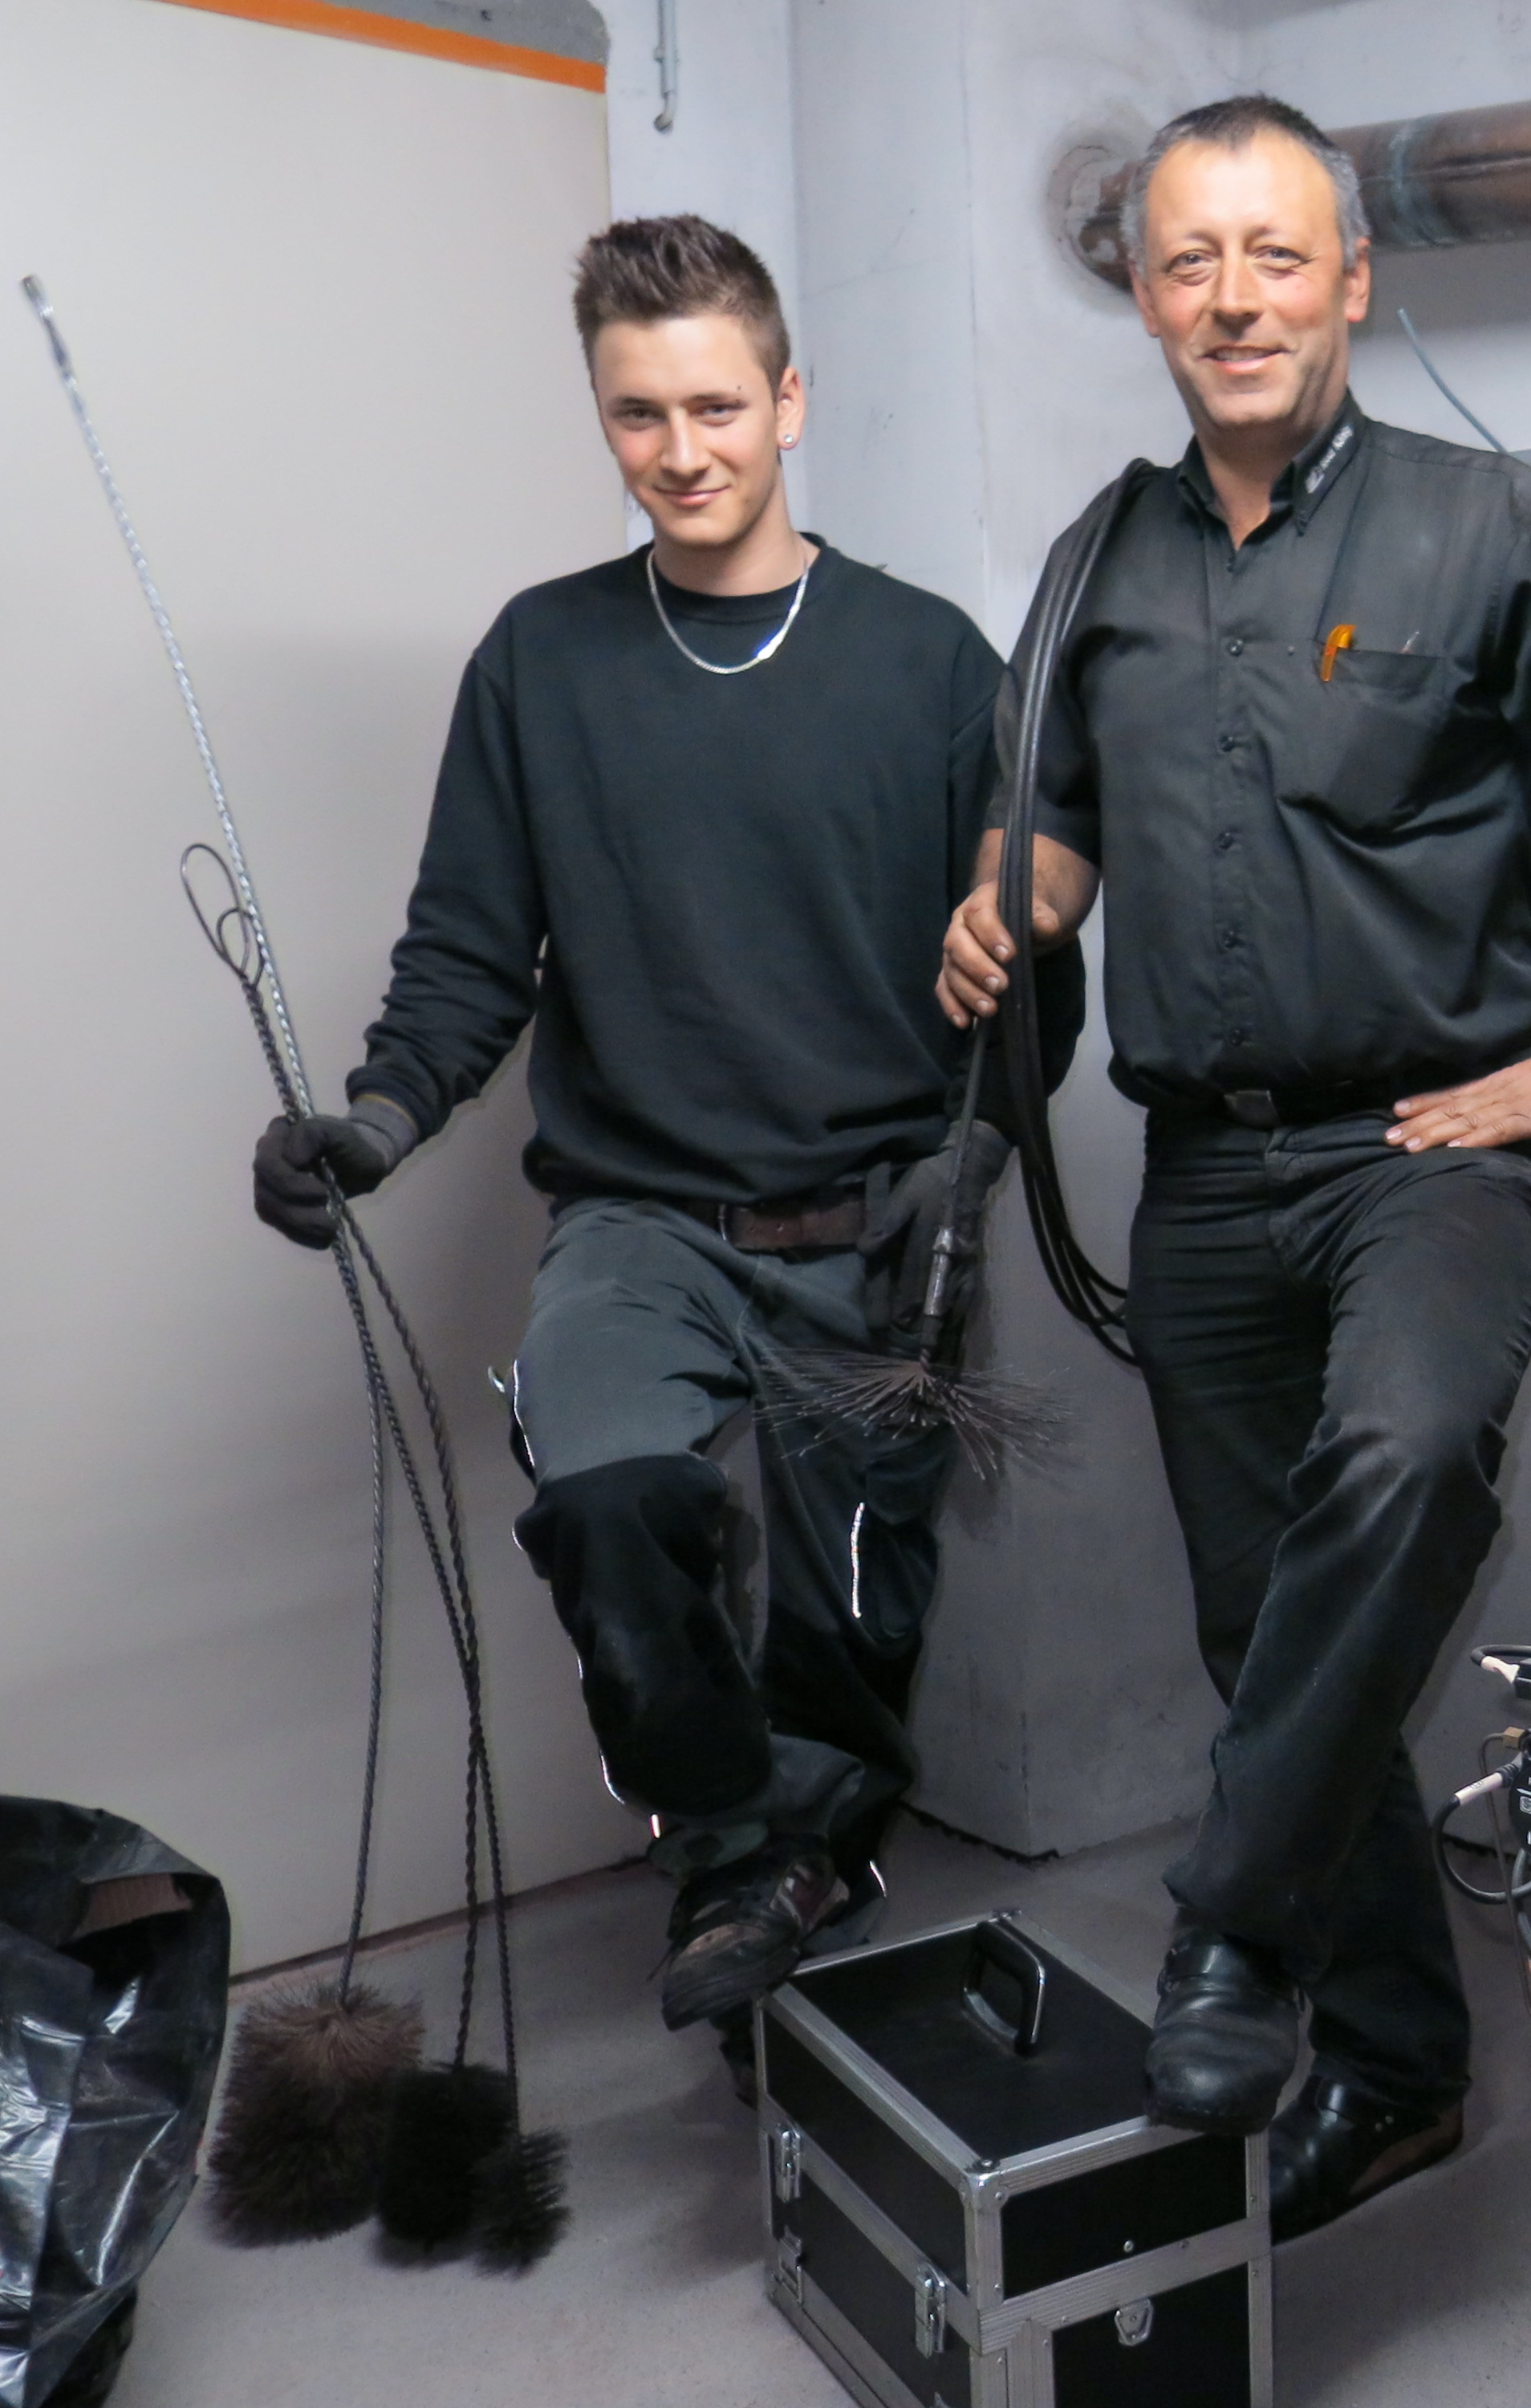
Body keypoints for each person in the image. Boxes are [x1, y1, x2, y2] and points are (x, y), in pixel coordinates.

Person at [940, 96, 1531, 2237]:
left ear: (1353, 285)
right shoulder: (1095, 564)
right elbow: (1061, 818)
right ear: (1147, 295)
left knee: (1397, 1473)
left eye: (1276, 255)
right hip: (1202, 1174)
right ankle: (1398, 2075)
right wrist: (1011, 900)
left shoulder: (1493, 527)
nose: (1235, 298)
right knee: (1264, 1625)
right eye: (1191, 260)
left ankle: (1231, 1929)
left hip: (1432, 1151)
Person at [250, 216, 1074, 2084]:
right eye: (639, 415)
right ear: (602, 418)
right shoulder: (541, 662)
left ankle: (792, 1871)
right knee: (612, 1504)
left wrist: (983, 1125)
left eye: (715, 407)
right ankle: (732, 1853)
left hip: (874, 1226)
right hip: (639, 1221)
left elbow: (1033, 986)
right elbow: (468, 955)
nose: (681, 451)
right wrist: (371, 1125)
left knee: (849, 1628)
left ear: (789, 401)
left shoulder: (929, 664)